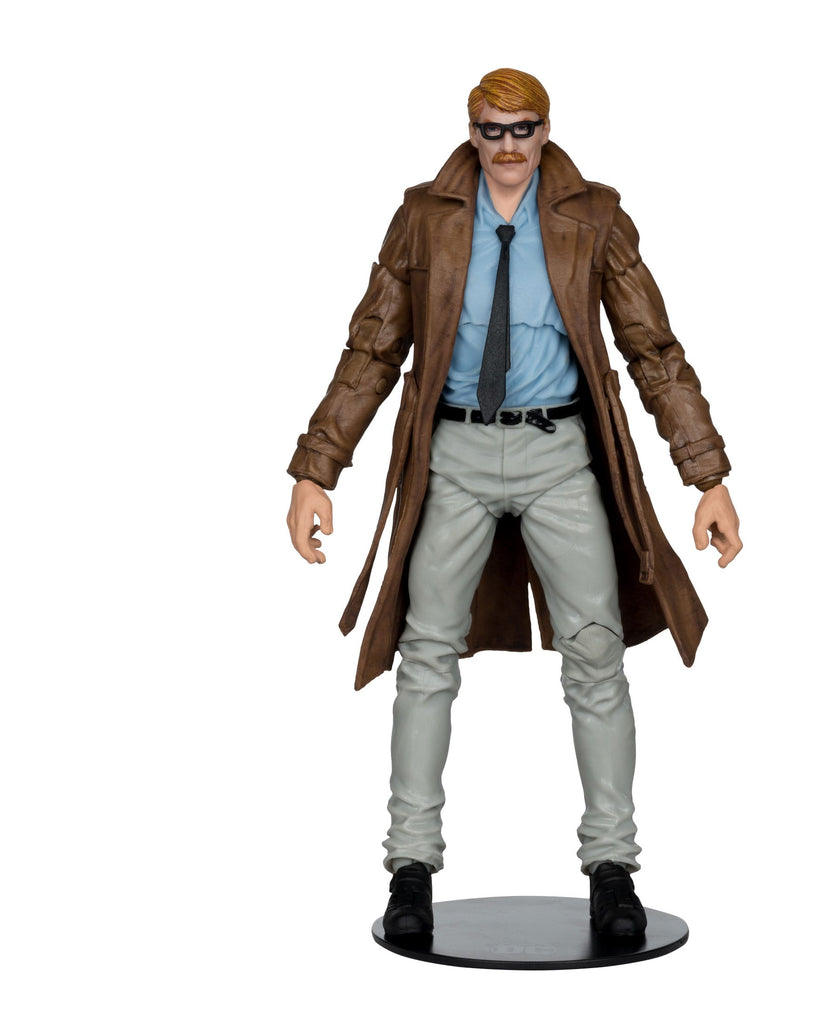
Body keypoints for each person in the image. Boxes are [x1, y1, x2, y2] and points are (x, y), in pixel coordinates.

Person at [286, 69, 741, 939]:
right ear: (471, 131)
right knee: (425, 654)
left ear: (545, 130)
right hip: (453, 455)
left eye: (522, 129)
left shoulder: (593, 217)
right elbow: (373, 347)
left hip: (558, 456)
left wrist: (707, 476)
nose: (507, 146)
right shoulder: (425, 218)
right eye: (491, 130)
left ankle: (613, 868)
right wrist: (318, 467)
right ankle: (410, 869)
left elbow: (653, 349)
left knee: (596, 653)